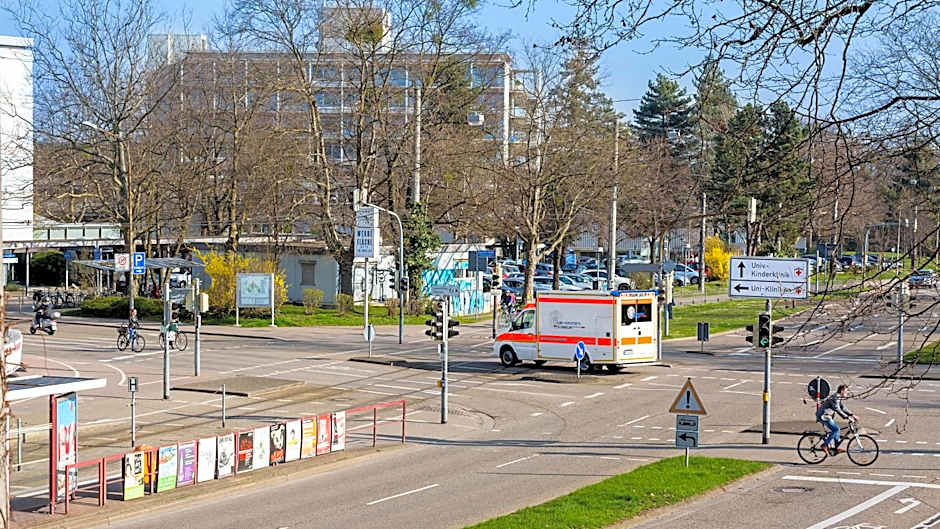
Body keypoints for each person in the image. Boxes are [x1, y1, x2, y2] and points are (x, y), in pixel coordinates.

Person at [816, 384, 856, 455]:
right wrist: (847, 417)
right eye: (846, 391)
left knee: (837, 429)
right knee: (836, 429)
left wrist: (851, 414)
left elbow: (842, 407)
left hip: (827, 416)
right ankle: (824, 445)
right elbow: (837, 409)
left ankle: (836, 447)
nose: (847, 393)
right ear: (842, 391)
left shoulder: (838, 397)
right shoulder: (836, 397)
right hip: (824, 416)